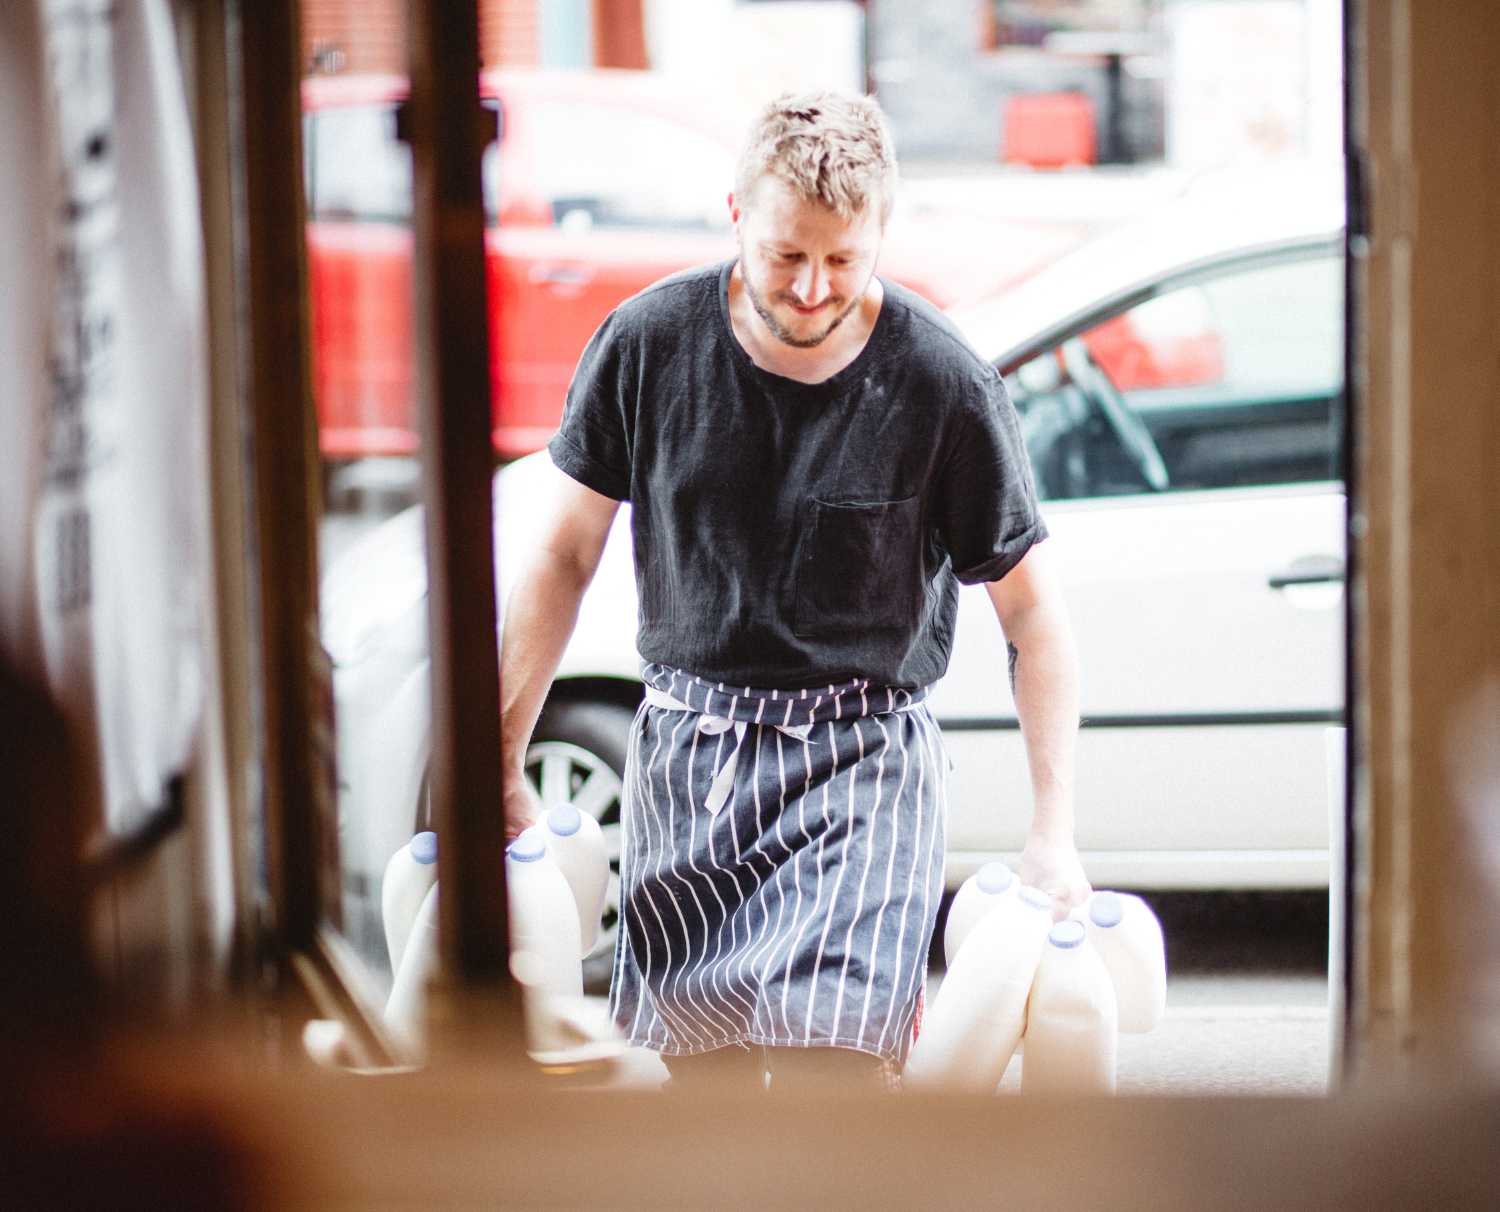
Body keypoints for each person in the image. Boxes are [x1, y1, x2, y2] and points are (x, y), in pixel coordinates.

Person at [498, 92, 1088, 1091]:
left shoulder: (944, 385)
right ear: (737, 214)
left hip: (862, 762)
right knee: (705, 1090)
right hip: (692, 750)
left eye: (843, 260)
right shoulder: (646, 347)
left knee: (836, 1076)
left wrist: (1054, 830)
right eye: (786, 255)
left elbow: (1031, 611)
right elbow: (561, 557)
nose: (814, 287)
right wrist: (501, 755)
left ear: (880, 235)